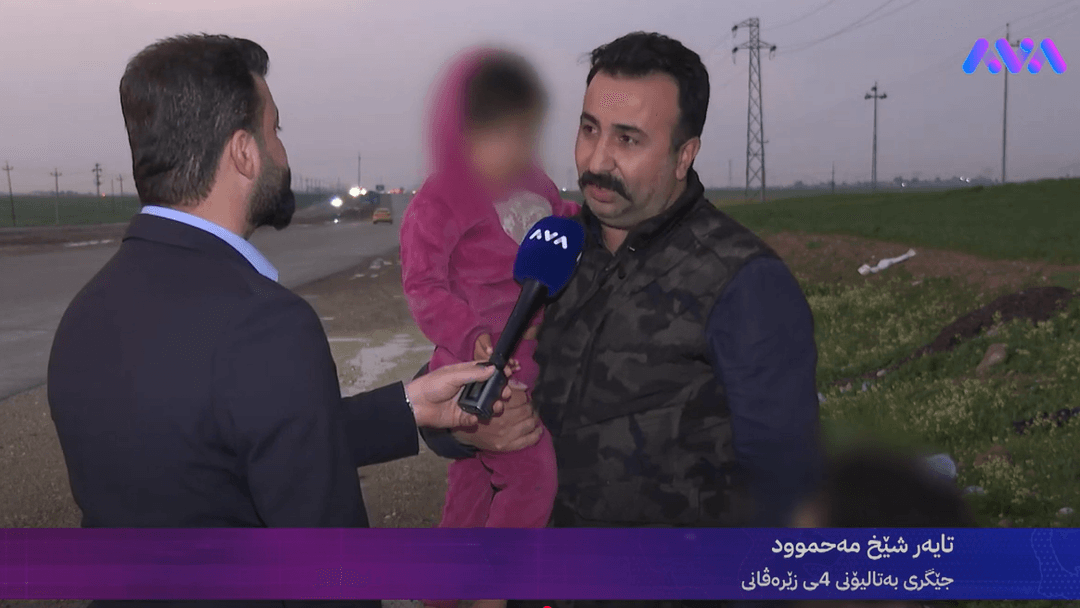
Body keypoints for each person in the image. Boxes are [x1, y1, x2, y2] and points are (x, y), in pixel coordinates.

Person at [46, 34, 510, 608]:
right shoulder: (265, 325)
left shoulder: (87, 312)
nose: (283, 154)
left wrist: (407, 407)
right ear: (244, 153)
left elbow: (212, 453)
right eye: (275, 130)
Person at [419, 31, 823, 608]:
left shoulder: (743, 282)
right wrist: (462, 431)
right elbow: (445, 385)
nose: (596, 160)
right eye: (589, 130)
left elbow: (787, 491)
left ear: (684, 154)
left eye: (627, 139)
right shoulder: (546, 245)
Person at [399, 47, 580, 608]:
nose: (516, 149)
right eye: (501, 135)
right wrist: (469, 331)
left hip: (529, 360)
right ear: (462, 134)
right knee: (532, 477)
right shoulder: (439, 200)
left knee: (472, 491)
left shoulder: (537, 184)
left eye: (526, 134)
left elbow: (562, 225)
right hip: (477, 367)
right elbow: (423, 285)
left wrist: (589, 225)